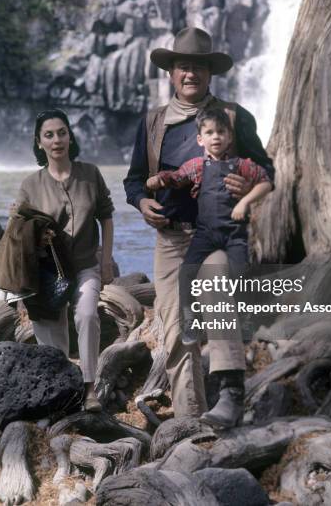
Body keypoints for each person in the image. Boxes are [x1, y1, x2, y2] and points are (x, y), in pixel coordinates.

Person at [124, 27, 274, 425]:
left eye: (199, 68)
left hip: (219, 235)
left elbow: (267, 169)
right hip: (170, 239)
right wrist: (142, 202)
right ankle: (191, 419)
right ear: (172, 73)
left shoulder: (234, 117)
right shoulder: (153, 122)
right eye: (183, 67)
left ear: (211, 74)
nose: (191, 74)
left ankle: (230, 398)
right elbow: (134, 179)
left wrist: (247, 185)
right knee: (175, 329)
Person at [146, 106, 272, 348]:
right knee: (187, 273)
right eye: (210, 132)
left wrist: (245, 201)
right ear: (200, 139)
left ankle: (245, 322)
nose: (216, 137)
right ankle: (190, 321)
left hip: (235, 234)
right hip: (205, 234)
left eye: (221, 132)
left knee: (241, 274)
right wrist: (159, 179)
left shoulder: (242, 165)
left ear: (230, 137)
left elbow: (265, 182)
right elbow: (176, 177)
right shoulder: (196, 166)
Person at [15, 109, 115, 412]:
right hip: (48, 272)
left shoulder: (90, 174)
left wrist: (106, 260)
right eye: (49, 135)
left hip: (85, 265)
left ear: (70, 136)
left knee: (86, 315)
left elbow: (107, 217)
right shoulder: (30, 185)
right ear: (39, 142)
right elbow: (18, 233)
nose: (56, 139)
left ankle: (89, 386)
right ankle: (62, 390)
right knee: (51, 333)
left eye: (61, 132)